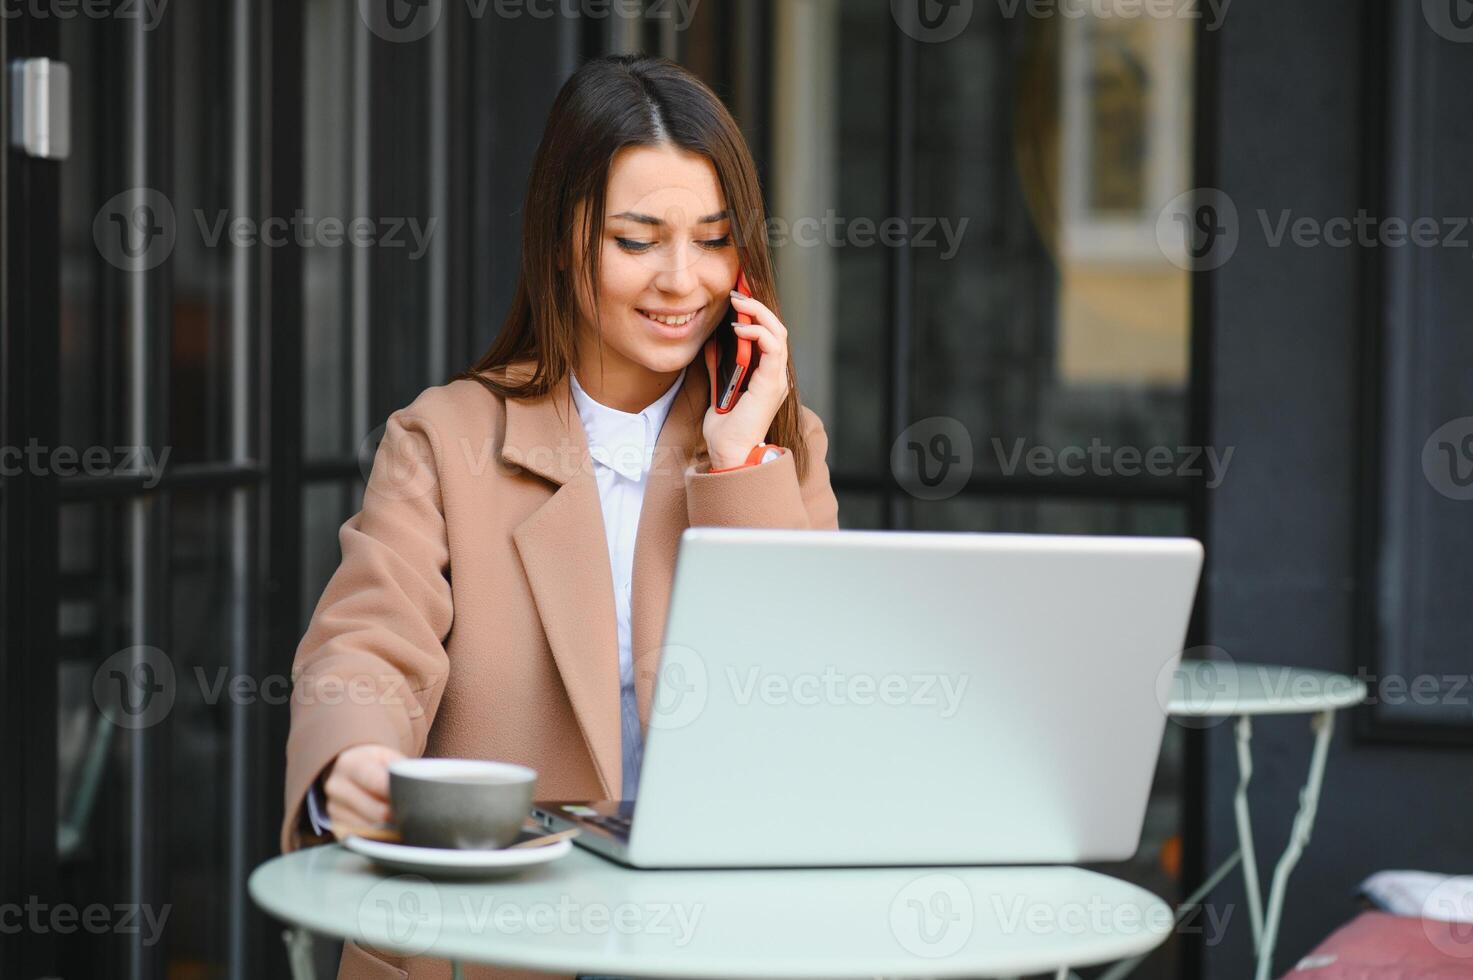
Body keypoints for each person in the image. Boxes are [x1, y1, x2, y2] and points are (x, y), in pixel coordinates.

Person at [280, 53, 840, 980]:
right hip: (482, 948)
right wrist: (353, 764)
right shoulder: (446, 436)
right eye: (636, 240)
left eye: (712, 238)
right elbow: (367, 646)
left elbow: (800, 713)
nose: (682, 280)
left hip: (708, 946)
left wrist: (739, 464)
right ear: (557, 242)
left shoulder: (781, 449)